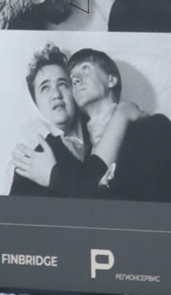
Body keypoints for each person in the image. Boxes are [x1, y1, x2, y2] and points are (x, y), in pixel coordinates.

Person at [68, 48, 171, 202]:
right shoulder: (74, 150)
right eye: (72, 79)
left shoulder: (154, 127)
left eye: (85, 68)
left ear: (111, 80)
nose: (75, 79)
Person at [7, 43, 107, 197]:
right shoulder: (32, 156)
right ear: (36, 104)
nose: (56, 94)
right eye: (45, 88)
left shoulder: (101, 132)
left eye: (62, 84)